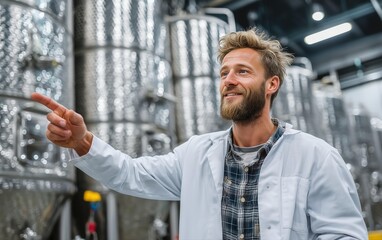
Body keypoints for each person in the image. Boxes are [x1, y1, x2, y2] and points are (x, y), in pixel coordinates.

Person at [31, 28, 368, 240]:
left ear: (272, 84)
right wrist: (82, 142)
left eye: (242, 71)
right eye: (224, 72)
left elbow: (343, 235)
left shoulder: (315, 156)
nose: (228, 80)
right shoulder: (196, 154)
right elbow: (129, 174)